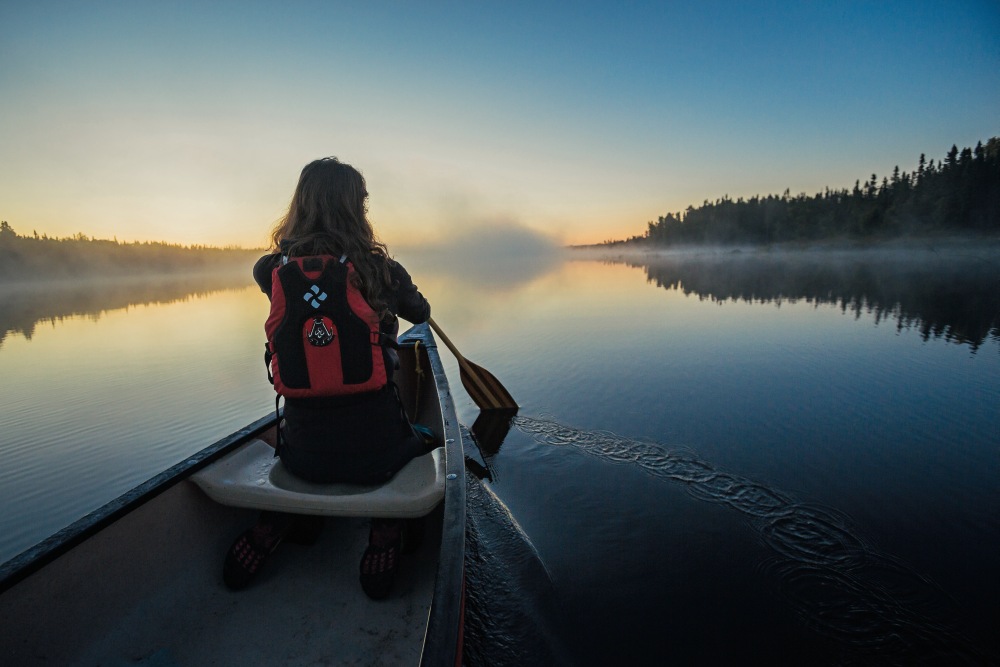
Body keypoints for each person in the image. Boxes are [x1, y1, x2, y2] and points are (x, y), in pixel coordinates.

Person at [223, 157, 433, 599]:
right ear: (356, 210)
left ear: (300, 205)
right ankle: (386, 530)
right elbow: (421, 314)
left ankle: (274, 523)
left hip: (300, 452)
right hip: (378, 454)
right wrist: (391, 301)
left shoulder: (270, 269)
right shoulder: (380, 270)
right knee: (428, 437)